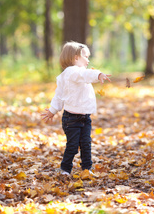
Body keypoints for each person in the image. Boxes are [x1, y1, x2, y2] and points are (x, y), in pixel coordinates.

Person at [41, 41, 111, 176]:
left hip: (84, 117)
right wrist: (98, 74)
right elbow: (60, 95)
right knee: (73, 145)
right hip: (72, 119)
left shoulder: (75, 74)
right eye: (85, 56)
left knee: (86, 144)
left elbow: (60, 95)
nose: (88, 60)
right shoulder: (73, 72)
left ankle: (86, 169)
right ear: (75, 58)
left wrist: (53, 110)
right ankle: (65, 169)